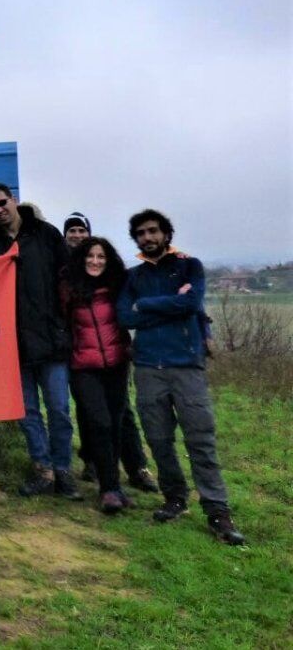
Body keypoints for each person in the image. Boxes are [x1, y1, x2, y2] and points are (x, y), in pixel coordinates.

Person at [116, 210, 245, 545]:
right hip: (147, 367)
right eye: (141, 233)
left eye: (153, 231)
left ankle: (217, 510)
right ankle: (174, 497)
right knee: (158, 440)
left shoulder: (190, 266)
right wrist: (166, 305)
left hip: (187, 365)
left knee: (200, 440)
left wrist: (146, 306)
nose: (148, 237)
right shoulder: (133, 277)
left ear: (166, 234)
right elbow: (124, 317)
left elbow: (190, 304)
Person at [0, 183, 80, 500]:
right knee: (27, 412)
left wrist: (64, 324)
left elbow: (68, 280)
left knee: (59, 409)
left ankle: (63, 471)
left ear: (13, 200)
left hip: (51, 340)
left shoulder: (46, 234)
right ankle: (42, 469)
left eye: (2, 203)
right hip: (11, 345)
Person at [63, 213, 158, 494]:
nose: (78, 235)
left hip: (115, 360)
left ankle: (136, 466)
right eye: (73, 231)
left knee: (119, 417)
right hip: (82, 360)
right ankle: (98, 469)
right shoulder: (66, 279)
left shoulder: (117, 280)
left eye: (82, 230)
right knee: (93, 416)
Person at [64, 237, 135, 514]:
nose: (95, 261)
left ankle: (113, 485)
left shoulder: (119, 286)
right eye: (90, 256)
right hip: (83, 366)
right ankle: (107, 489)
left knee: (115, 424)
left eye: (101, 257)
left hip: (117, 364)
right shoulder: (69, 289)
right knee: (100, 423)